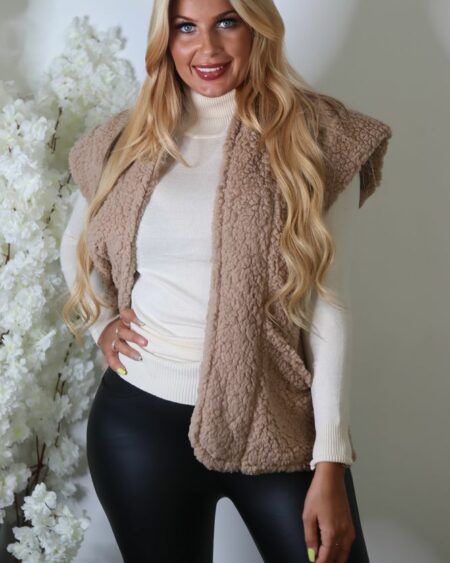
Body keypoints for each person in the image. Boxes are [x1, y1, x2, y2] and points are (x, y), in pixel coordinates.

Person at [61, 1, 391, 561]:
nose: (207, 48)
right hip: (138, 423)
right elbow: (75, 243)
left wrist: (330, 460)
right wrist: (102, 325)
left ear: (257, 27)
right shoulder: (124, 139)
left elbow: (328, 306)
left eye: (227, 22)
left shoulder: (318, 136)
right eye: (186, 27)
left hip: (273, 417)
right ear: (166, 39)